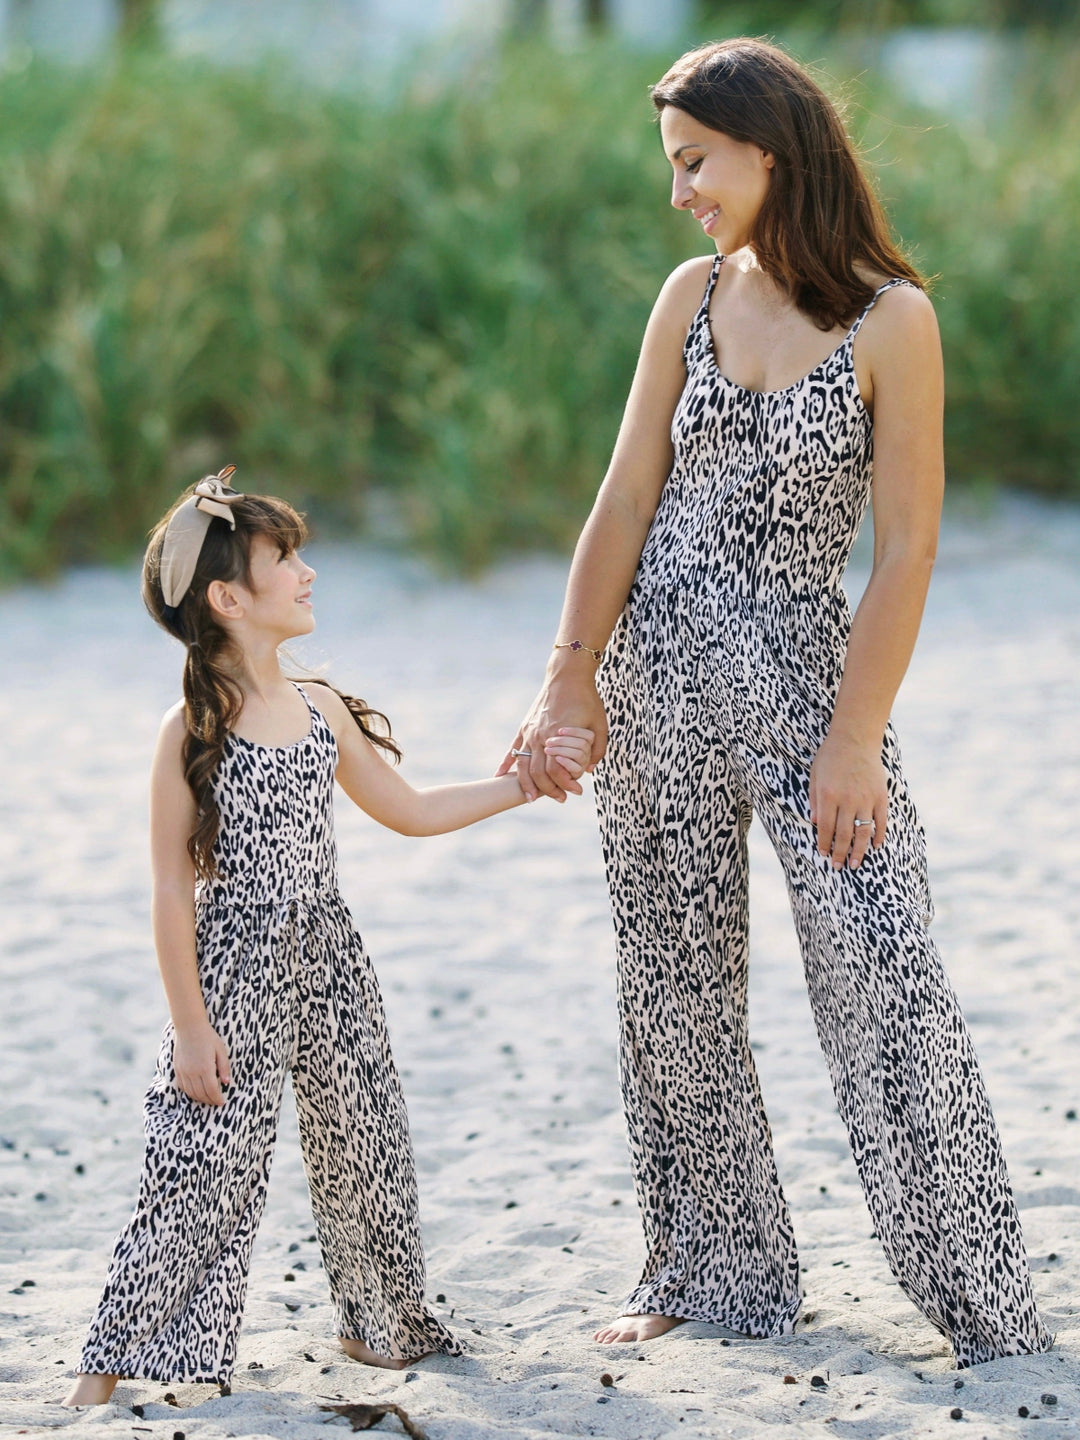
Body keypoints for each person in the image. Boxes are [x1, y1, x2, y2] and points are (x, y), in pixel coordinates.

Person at [498, 38, 1051, 1368]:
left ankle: (981, 1304)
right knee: (673, 981)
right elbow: (625, 495)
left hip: (810, 687)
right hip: (654, 674)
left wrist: (855, 738)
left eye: (695, 161)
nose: (679, 189)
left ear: (770, 148)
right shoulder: (688, 295)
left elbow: (908, 549)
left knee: (883, 968)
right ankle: (716, 1269)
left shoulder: (890, 319)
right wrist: (567, 670)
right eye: (672, 164)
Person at [65, 469, 592, 1405]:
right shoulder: (190, 731)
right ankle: (108, 1376)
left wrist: (522, 785)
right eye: (286, 559)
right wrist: (191, 1027)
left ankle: (380, 1324)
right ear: (228, 599)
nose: (308, 571)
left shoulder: (320, 707)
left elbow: (412, 807)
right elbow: (167, 890)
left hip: (332, 956)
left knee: (367, 1141)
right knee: (199, 1164)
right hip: (234, 966)